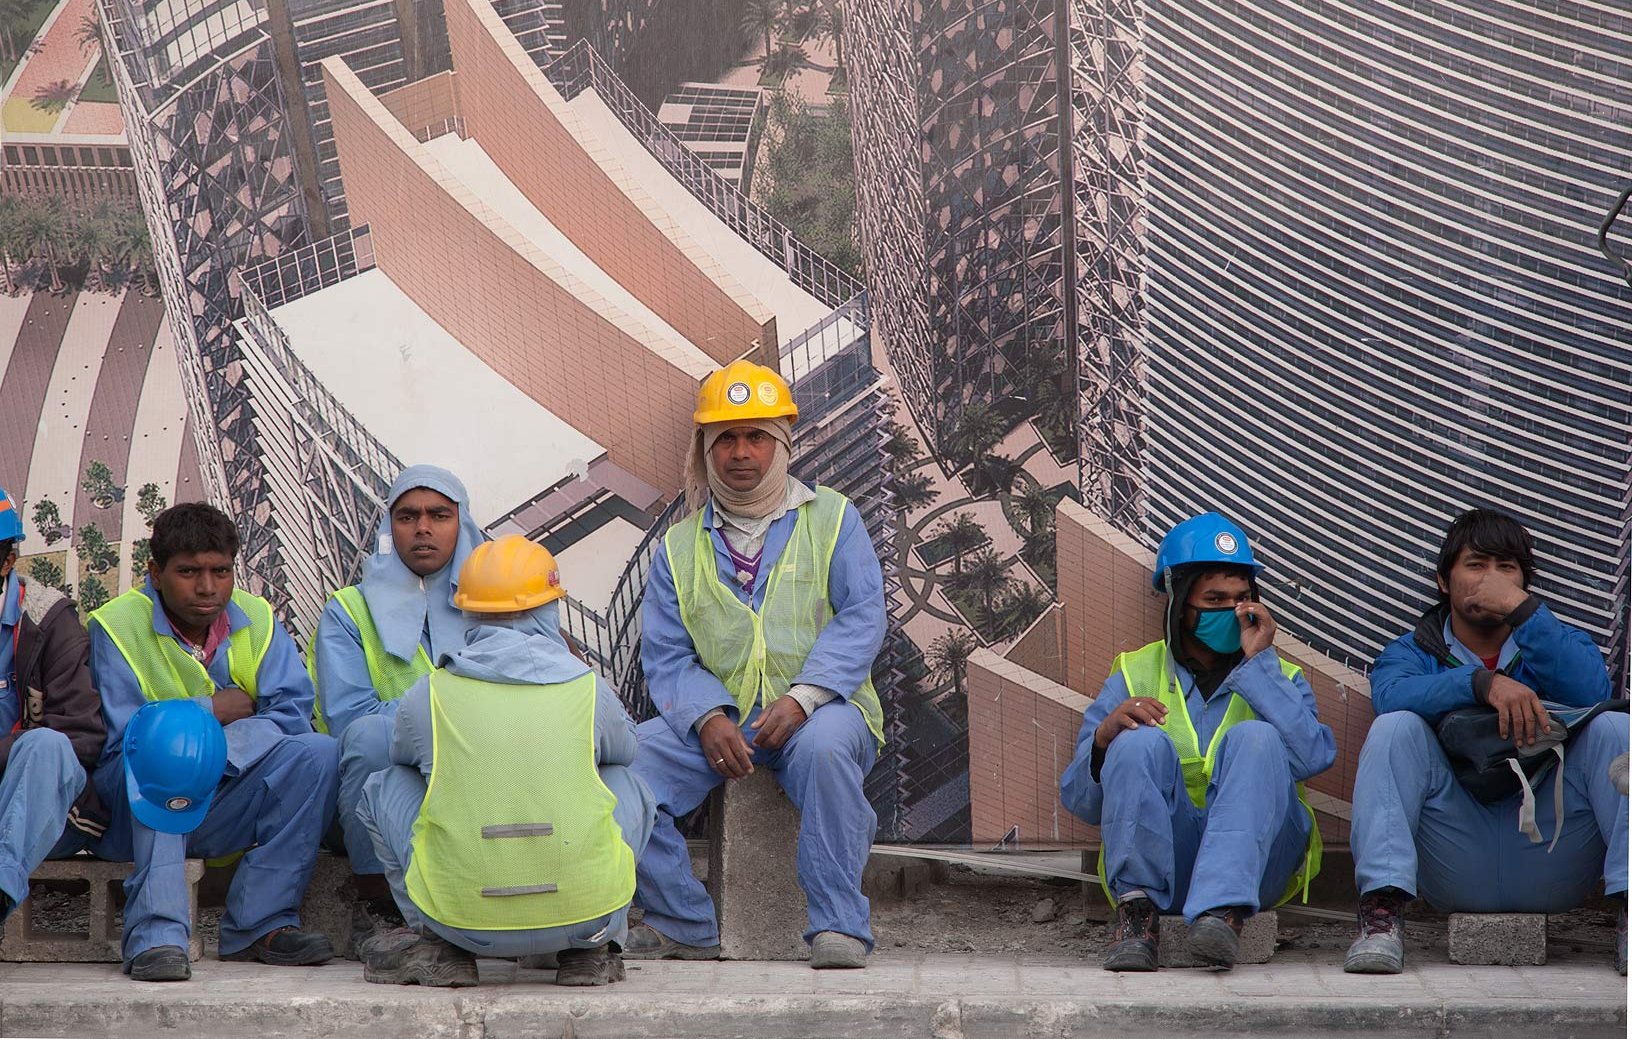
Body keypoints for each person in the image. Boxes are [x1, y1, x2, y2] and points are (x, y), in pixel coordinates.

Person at [626, 360, 886, 970]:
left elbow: (862, 617)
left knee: (824, 753)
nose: (741, 453)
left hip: (825, 713)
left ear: (782, 443)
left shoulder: (834, 519)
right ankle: (685, 923)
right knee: (624, 772)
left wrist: (804, 699)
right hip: (724, 725)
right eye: (726, 440)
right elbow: (665, 653)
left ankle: (838, 926)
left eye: (757, 437)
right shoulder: (677, 548)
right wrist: (706, 717)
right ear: (706, 450)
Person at [355, 535, 655, 987]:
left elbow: (402, 756)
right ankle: (594, 948)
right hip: (582, 917)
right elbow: (625, 751)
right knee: (625, 781)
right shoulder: (587, 688)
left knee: (387, 783)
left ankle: (438, 944)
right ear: (548, 609)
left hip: (463, 922)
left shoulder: (431, 693)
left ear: (466, 611)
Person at [1345, 508, 1627, 976]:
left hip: (1549, 851)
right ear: (1442, 581)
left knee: (1616, 731)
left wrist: (1524, 614)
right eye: (1476, 565)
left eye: (1506, 568)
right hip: (1455, 855)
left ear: (1524, 584)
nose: (1490, 580)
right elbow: (1390, 694)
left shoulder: (1555, 641)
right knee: (1394, 728)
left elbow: (1593, 691)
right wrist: (1480, 684)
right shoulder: (1412, 651)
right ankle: (1381, 918)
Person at [1059, 513, 1335, 971]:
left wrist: (1259, 665)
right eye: (1214, 599)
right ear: (1180, 602)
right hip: (1170, 861)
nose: (1231, 611)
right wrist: (1104, 741)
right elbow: (1081, 802)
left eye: (1241, 598)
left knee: (1257, 736)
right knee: (1134, 741)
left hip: (1257, 868)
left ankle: (1223, 914)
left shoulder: (1281, 675)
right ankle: (1137, 917)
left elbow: (1313, 757)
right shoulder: (1133, 671)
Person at [88, 503, 338, 982]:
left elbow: (291, 714)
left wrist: (217, 752)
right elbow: (124, 742)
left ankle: (260, 925)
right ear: (155, 573)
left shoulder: (257, 617)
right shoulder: (117, 626)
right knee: (168, 756)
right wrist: (209, 714)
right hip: (132, 807)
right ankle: (157, 937)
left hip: (222, 795)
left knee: (318, 753)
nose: (207, 588)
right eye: (188, 572)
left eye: (220, 571)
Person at [309, 466, 482, 919]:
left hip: (485, 763)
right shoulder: (348, 609)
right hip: (397, 772)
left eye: (439, 515)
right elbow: (351, 719)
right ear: (390, 527)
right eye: (407, 516)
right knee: (368, 738)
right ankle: (380, 909)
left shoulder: (496, 601)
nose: (423, 528)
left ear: (461, 525)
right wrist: (453, 714)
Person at [0, 485, 109, 920]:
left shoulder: (47, 617)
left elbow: (81, 736)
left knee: (46, 746)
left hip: (37, 805)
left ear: (7, 561)